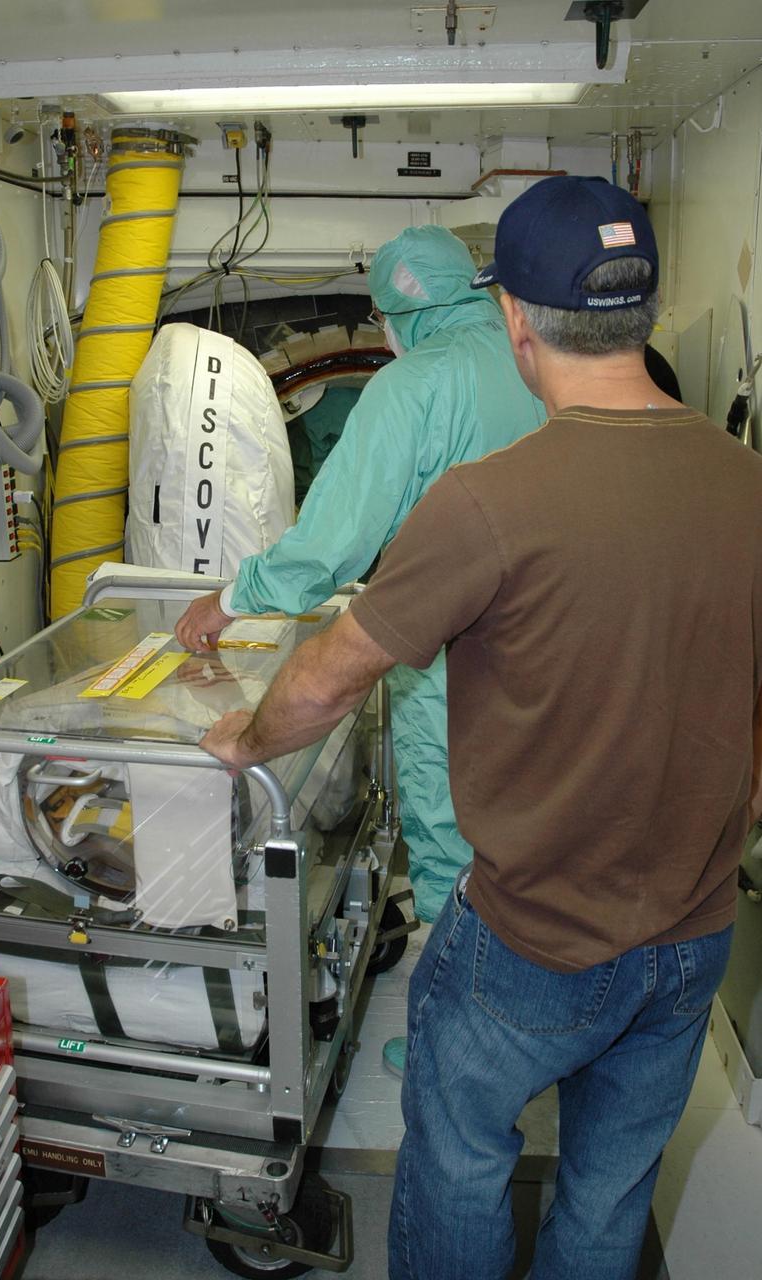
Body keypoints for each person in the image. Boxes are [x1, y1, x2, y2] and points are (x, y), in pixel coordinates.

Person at [200, 176, 762, 1280]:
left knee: (459, 1156)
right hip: (693, 931)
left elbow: (328, 674)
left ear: (514, 318)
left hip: (535, 932)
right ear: (642, 312)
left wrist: (242, 741)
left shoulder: (484, 496)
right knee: (607, 1191)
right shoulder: (746, 482)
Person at [175, 223, 546, 1070]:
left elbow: (328, 547)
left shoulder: (413, 386)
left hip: (458, 664)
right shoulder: (538, 364)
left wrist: (231, 600)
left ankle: (462, 1051)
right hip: (553, 662)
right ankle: (532, 1029)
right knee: (524, 852)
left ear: (395, 311)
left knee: (458, 860)